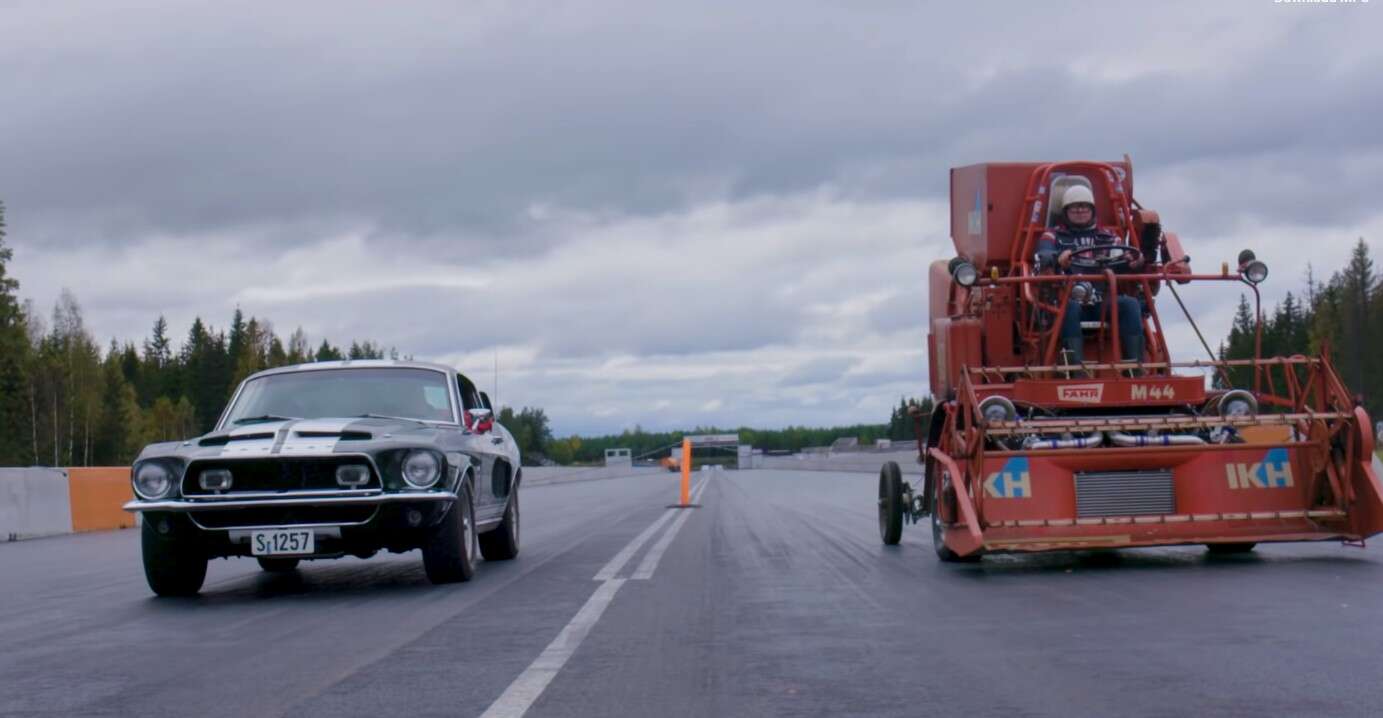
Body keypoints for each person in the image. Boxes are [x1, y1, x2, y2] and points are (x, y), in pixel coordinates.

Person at [1035, 185, 1145, 364]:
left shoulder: (1109, 236)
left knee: (1131, 304)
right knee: (1069, 308)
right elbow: (1043, 255)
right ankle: (1074, 368)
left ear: (1092, 210)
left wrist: (1133, 261)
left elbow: (1124, 262)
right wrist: (1057, 258)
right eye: (1074, 207)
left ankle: (1136, 367)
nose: (1079, 211)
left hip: (1102, 301)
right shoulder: (1053, 236)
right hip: (1066, 300)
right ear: (1065, 211)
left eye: (1084, 206)